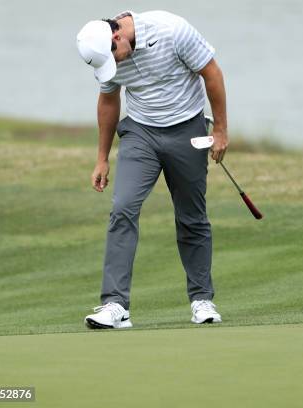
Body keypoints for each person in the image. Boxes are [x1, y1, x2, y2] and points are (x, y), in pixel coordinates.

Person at [76, 10, 228, 329]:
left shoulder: (172, 30)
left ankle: (202, 299)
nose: (112, 66)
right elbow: (108, 100)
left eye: (113, 57)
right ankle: (115, 304)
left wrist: (221, 131)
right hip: (140, 133)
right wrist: (101, 157)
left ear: (117, 36)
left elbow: (211, 73)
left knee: (191, 216)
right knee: (122, 208)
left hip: (188, 129)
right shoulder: (106, 52)